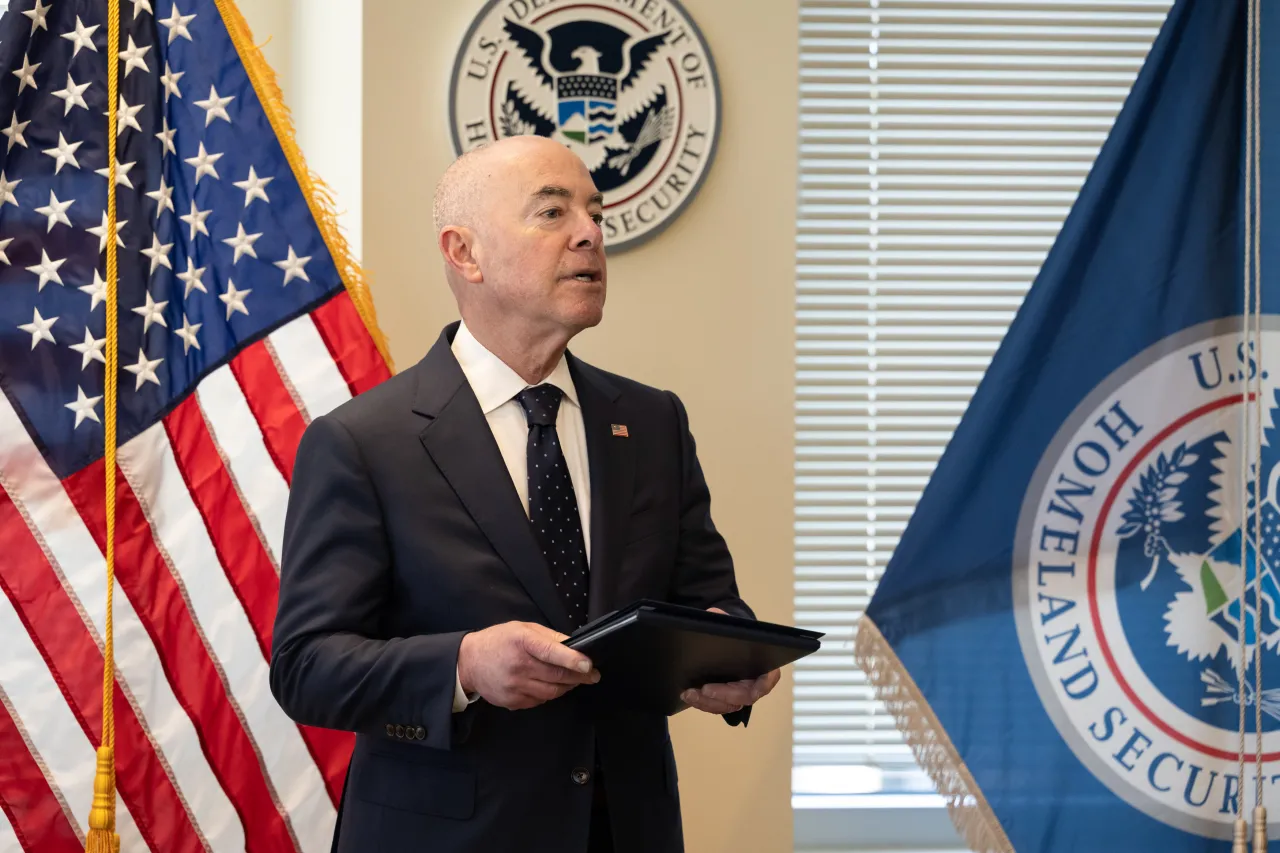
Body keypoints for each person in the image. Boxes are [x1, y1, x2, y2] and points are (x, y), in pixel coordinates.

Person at [269, 135, 780, 853]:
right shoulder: (362, 442)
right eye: (552, 211)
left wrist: (726, 653)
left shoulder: (653, 419)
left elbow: (708, 600)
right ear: (464, 253)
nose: (591, 232)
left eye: (595, 211)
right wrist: (464, 664)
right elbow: (306, 666)